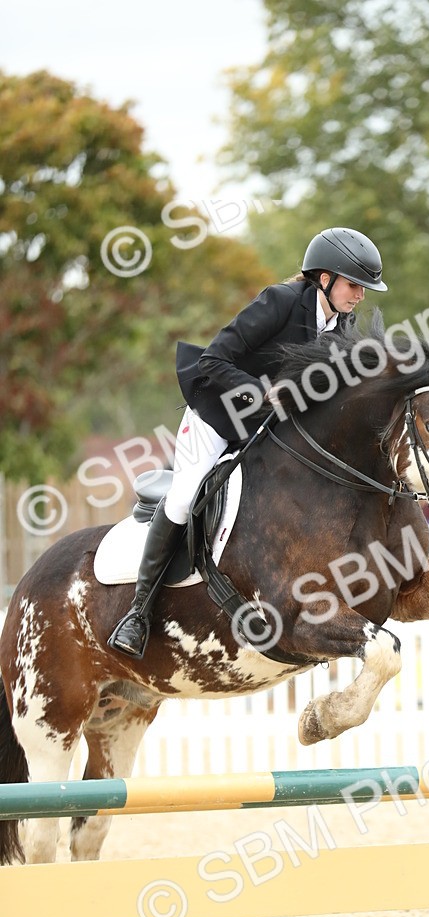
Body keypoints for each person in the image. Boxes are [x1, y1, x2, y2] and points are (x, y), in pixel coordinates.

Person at [107, 226, 388, 659]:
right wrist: (258, 393)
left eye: (365, 289)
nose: (360, 297)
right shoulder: (279, 302)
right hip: (218, 415)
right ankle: (138, 612)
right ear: (326, 279)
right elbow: (213, 359)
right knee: (184, 496)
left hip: (268, 428)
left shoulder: (342, 326)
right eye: (355, 285)